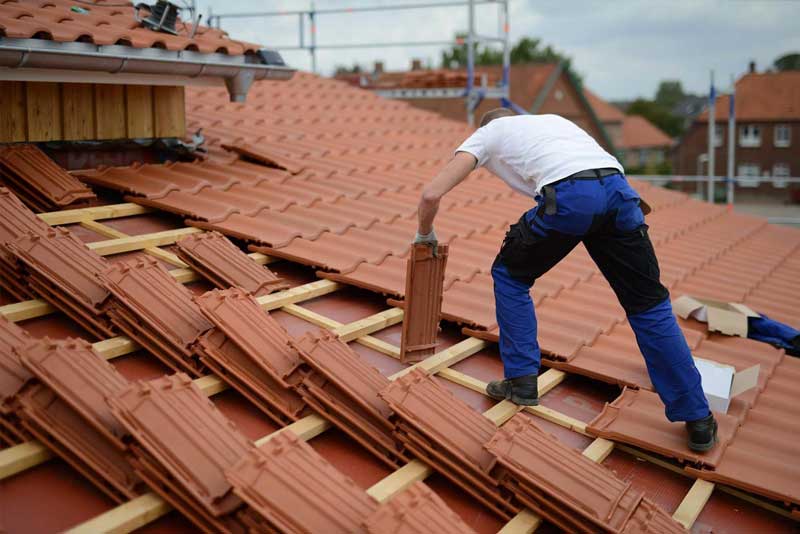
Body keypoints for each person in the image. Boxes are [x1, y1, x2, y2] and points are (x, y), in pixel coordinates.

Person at [415, 108, 717, 452]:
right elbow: (594, 170)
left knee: (510, 275)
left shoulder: (488, 133)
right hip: (621, 194)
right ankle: (699, 419)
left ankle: (521, 381)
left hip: (573, 198)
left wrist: (424, 234)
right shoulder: (554, 123)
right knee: (649, 305)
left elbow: (431, 194)